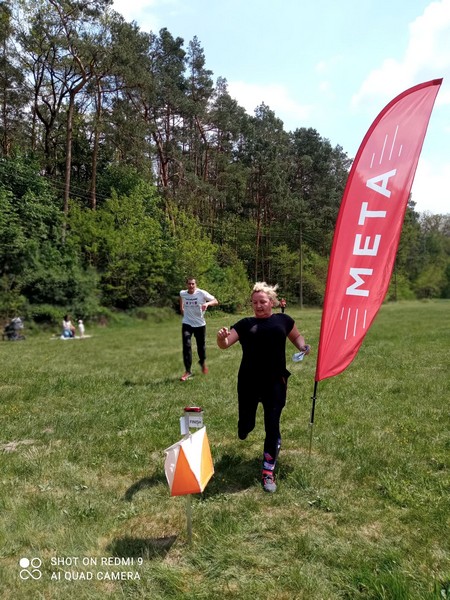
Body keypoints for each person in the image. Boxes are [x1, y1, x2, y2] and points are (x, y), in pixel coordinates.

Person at [216, 282, 310, 493]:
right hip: (248, 382)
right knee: (246, 424)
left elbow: (296, 336)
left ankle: (268, 471)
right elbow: (224, 344)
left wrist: (303, 346)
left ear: (272, 302)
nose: (258, 306)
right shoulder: (244, 324)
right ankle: (244, 427)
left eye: (263, 302)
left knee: (272, 424)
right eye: (255, 302)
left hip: (276, 382)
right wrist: (220, 338)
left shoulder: (283, 320)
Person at [179, 277, 218, 381]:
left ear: (195, 285)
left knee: (201, 347)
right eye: (189, 284)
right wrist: (182, 310)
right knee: (186, 345)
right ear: (186, 285)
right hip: (187, 323)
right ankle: (188, 371)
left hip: (200, 324)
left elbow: (215, 301)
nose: (191, 286)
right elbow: (181, 303)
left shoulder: (201, 293)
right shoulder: (183, 293)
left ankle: (202, 362)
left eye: (193, 284)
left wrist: (207, 303)